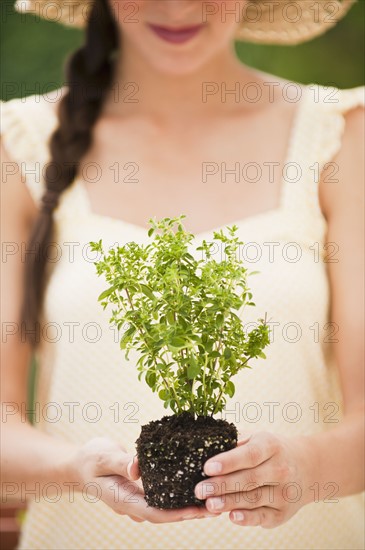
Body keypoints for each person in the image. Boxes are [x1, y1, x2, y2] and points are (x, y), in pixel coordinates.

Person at [1, 0, 364, 549]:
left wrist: (307, 465)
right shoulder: (18, 143)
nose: (177, 6)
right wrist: (75, 467)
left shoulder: (341, 136)